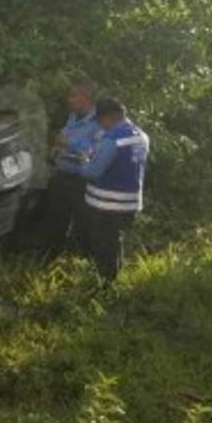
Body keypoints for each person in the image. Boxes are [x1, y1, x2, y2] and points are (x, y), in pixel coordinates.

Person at [73, 97, 149, 283]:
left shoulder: (112, 139)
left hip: (107, 204)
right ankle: (112, 278)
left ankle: (105, 285)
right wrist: (80, 146)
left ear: (111, 117)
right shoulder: (141, 136)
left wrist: (82, 163)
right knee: (114, 241)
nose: (100, 125)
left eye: (101, 120)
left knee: (104, 245)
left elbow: (92, 171)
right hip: (130, 203)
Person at [36, 79, 100, 261]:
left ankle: (88, 263)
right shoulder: (73, 117)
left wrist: (69, 142)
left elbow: (96, 149)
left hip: (82, 181)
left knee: (85, 223)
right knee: (55, 219)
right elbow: (63, 138)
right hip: (62, 175)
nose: (69, 100)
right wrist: (56, 149)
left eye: (73, 96)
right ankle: (49, 258)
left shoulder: (99, 121)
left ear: (85, 97)